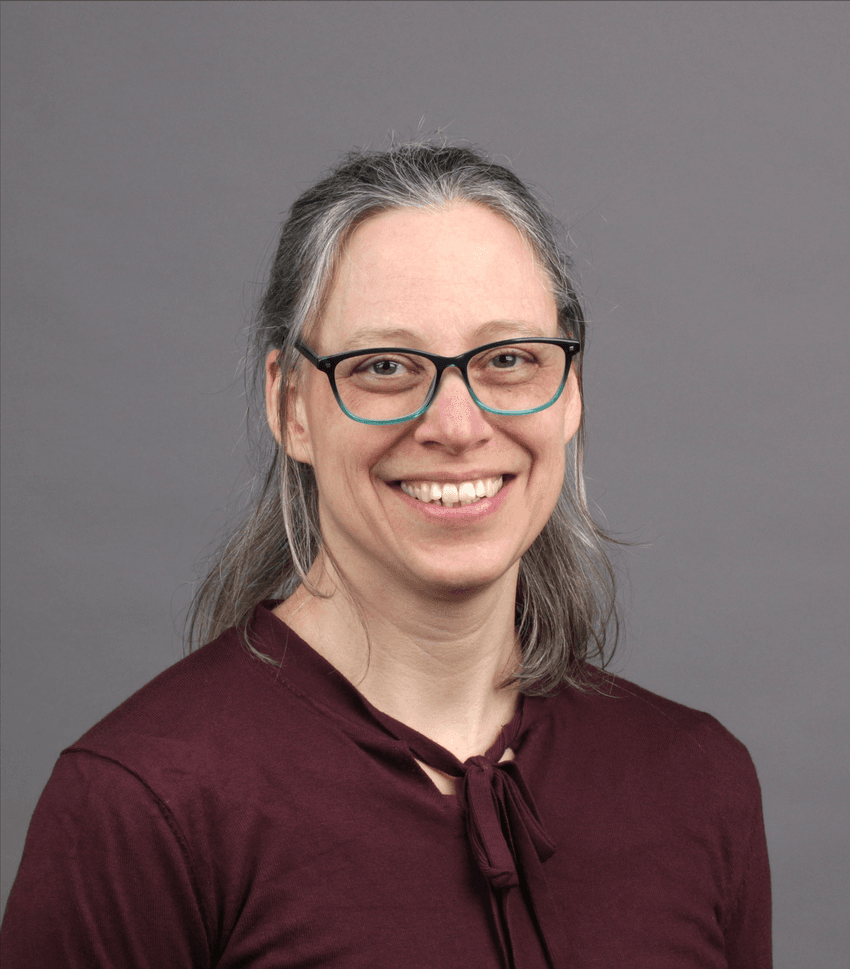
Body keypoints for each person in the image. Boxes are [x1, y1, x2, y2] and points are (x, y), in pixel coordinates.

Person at [1, 143, 772, 968]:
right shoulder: (140, 807)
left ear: (571, 388)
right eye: (385, 366)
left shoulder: (697, 779)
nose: (456, 424)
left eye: (508, 358)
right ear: (290, 404)